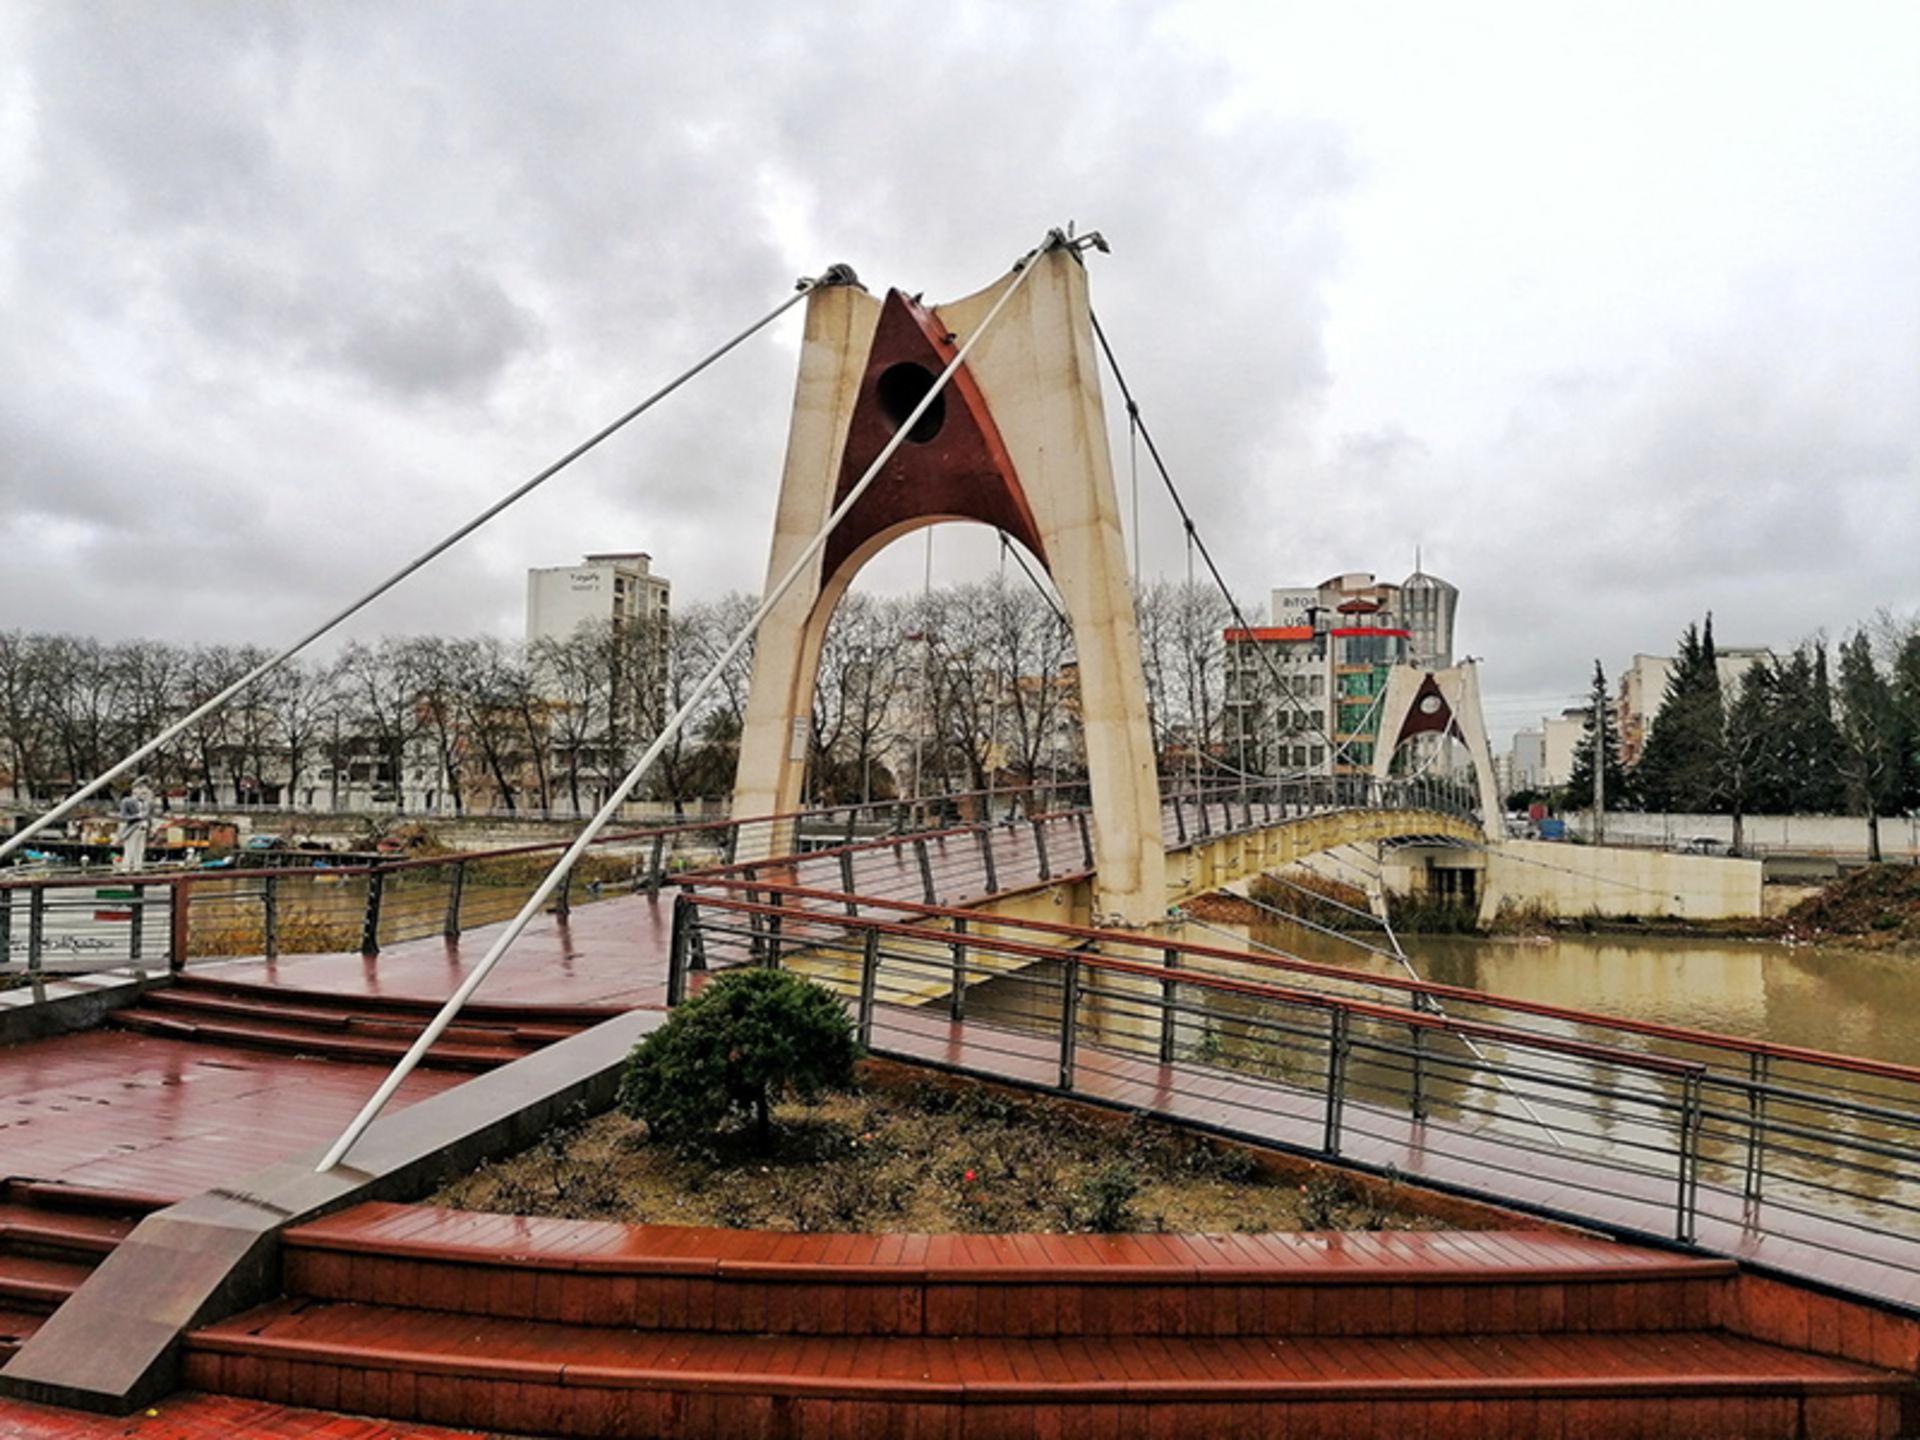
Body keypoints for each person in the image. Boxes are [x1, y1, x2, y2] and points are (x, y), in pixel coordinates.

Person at [116, 780, 154, 873]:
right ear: (135, 790)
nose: (144, 794)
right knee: (130, 850)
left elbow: (148, 816)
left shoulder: (146, 803)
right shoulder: (126, 801)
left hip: (143, 829)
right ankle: (126, 868)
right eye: (141, 790)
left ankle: (138, 868)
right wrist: (137, 816)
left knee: (140, 850)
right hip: (132, 829)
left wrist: (150, 827)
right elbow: (122, 817)